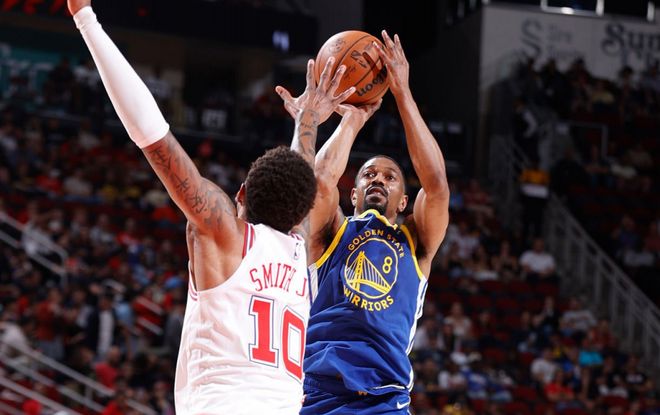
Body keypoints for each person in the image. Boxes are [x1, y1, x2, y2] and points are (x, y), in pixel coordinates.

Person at [67, 0, 354, 413]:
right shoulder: (297, 250)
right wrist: (308, 120)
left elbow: (153, 137)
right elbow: (303, 176)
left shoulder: (226, 235)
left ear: (241, 194)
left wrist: (86, 20)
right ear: (301, 212)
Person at [277, 30, 449, 414]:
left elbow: (437, 184)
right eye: (368, 175)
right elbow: (318, 183)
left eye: (390, 177)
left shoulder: (416, 241)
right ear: (352, 195)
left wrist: (402, 93)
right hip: (317, 391)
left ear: (404, 201)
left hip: (384, 398)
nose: (378, 180)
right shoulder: (332, 233)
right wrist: (352, 121)